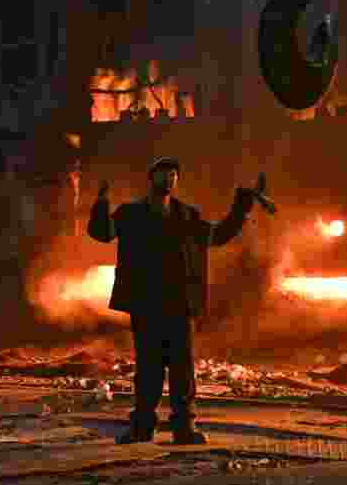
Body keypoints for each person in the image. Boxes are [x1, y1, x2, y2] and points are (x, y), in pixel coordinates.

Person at [88, 156, 258, 445]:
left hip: (180, 305)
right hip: (147, 303)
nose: (169, 179)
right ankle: (142, 427)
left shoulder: (187, 216)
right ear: (151, 178)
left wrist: (242, 205)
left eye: (174, 175)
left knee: (182, 369)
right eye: (164, 173)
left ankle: (183, 429)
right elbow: (102, 233)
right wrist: (101, 203)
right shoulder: (131, 214)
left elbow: (219, 235)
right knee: (148, 369)